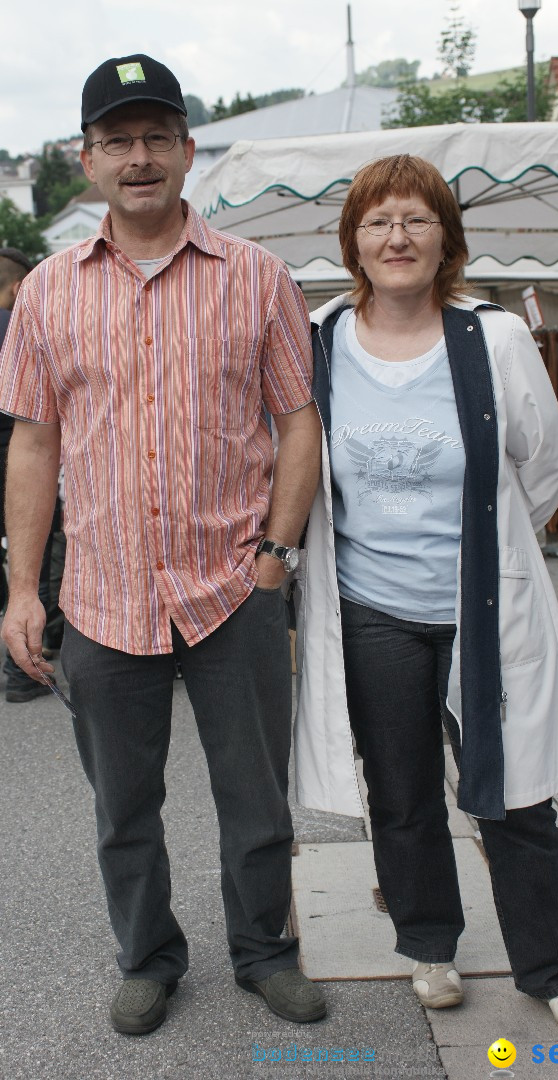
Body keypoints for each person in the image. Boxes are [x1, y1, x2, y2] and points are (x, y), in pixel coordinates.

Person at [0, 53, 324, 1034]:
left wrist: (277, 556)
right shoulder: (47, 294)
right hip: (102, 598)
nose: (137, 158)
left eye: (155, 138)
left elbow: (298, 421)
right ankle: (148, 956)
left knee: (256, 800)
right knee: (122, 808)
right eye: (116, 141)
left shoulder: (259, 279)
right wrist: (23, 588)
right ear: (86, 159)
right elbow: (33, 442)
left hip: (233, 588)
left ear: (188, 151)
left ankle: (265, 952)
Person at [293, 155, 558, 1033]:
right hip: (372, 611)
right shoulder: (317, 339)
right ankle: (430, 946)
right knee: (400, 790)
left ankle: (550, 966)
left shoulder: (493, 338)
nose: (397, 237)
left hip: (481, 612)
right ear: (354, 241)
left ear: (445, 239)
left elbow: (546, 468)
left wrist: (493, 553)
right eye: (378, 221)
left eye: (416, 220)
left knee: (514, 791)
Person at [0, 246, 59, 702]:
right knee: (33, 564)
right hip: (15, 468)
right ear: (20, 286)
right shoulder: (17, 329)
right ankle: (24, 671)